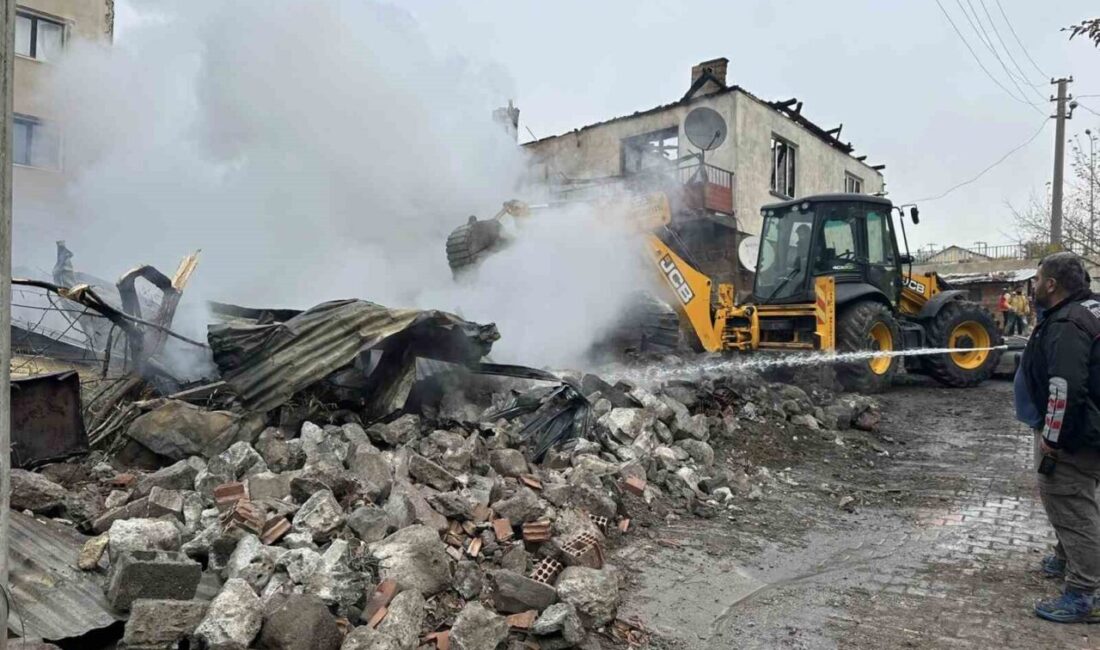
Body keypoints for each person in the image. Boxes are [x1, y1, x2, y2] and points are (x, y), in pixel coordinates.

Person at [1018, 252, 1100, 623]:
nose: (1033, 286)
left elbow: (1064, 386)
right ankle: (1066, 557)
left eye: (1037, 279)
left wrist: (1052, 438)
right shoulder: (1088, 310)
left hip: (1076, 435)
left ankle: (1085, 594)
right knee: (1074, 502)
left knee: (1069, 501)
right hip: (1088, 429)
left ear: (1051, 284)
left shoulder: (1068, 323)